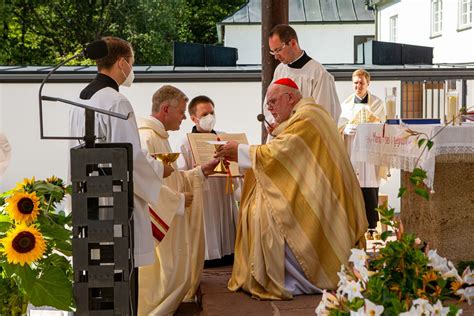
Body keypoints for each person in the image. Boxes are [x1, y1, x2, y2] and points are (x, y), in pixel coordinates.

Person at [215, 78, 367, 299]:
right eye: (268, 104)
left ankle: (293, 279)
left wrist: (239, 150)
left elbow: (282, 152)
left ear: (290, 97)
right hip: (318, 189)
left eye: (273, 101)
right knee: (260, 208)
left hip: (323, 198)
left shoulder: (308, 116)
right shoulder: (305, 114)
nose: (270, 108)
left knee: (266, 215)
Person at [69, 36, 173, 268]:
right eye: (131, 63)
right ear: (122, 63)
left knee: (95, 268)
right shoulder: (117, 102)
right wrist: (159, 169)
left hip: (87, 195)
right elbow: (129, 157)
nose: (131, 69)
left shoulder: (80, 97)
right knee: (121, 272)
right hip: (114, 201)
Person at [137, 86, 219, 315]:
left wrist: (201, 171)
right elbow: (142, 184)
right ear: (165, 109)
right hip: (158, 230)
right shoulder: (146, 138)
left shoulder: (159, 137)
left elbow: (170, 178)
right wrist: (178, 200)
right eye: (182, 111)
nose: (185, 117)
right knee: (157, 286)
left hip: (171, 223)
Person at [177, 95, 239, 265]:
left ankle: (228, 253)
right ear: (193, 118)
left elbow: (237, 164)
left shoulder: (224, 137)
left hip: (223, 191)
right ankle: (208, 258)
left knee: (226, 227)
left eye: (212, 112)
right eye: (204, 114)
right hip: (204, 194)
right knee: (208, 227)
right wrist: (198, 170)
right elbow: (182, 174)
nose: (210, 117)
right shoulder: (186, 143)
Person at [338, 69, 387, 238]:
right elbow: (338, 127)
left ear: (368, 84)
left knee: (370, 186)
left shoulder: (378, 104)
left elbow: (382, 126)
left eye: (361, 83)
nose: (358, 86)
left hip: (370, 151)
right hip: (352, 149)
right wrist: (345, 129)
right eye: (356, 83)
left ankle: (372, 226)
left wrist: (369, 128)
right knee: (353, 186)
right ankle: (353, 224)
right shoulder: (345, 105)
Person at [267, 24, 341, 122]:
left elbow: (324, 115)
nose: (276, 57)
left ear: (293, 43)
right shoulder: (280, 70)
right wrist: (272, 123)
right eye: (273, 52)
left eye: (278, 50)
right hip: (281, 135)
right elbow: (269, 104)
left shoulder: (318, 73)